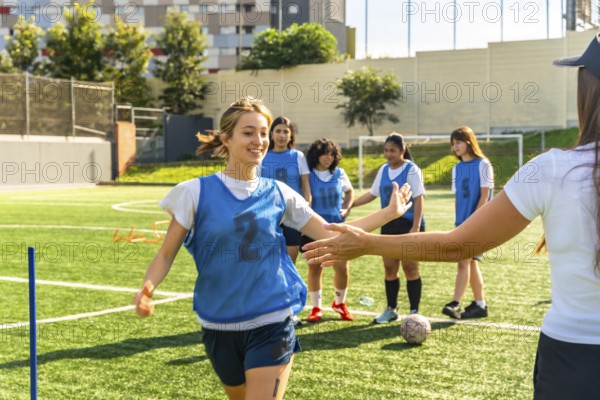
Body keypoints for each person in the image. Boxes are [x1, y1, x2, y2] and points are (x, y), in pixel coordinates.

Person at [302, 35, 600, 400]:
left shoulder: (554, 169)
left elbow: (458, 244)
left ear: (588, 90)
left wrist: (367, 243)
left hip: (574, 357)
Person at [133, 96, 413, 400]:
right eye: (249, 132)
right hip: (217, 325)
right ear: (226, 139)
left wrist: (388, 214)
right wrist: (147, 288)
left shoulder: (280, 193)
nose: (260, 140)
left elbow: (331, 233)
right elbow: (165, 254)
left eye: (264, 132)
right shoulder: (194, 193)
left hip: (272, 320)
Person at [351, 133, 425, 323]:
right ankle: (391, 309)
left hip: (409, 225)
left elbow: (418, 198)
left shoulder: (411, 169)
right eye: (386, 150)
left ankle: (414, 311)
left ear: (403, 151)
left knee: (410, 268)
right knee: (390, 268)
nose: (388, 154)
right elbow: (372, 194)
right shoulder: (383, 170)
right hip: (389, 225)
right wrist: (350, 204)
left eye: (392, 150)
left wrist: (416, 226)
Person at [442, 126, 494, 320]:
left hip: (478, 223)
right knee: (470, 264)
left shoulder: (483, 164)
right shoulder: (457, 168)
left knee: (463, 261)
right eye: (453, 143)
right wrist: (458, 223)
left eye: (459, 142)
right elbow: (458, 199)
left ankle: (455, 303)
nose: (455, 146)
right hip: (461, 223)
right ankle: (480, 304)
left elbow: (485, 196)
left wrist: (474, 221)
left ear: (469, 142)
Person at [302, 138, 355, 322]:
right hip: (314, 227)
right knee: (315, 267)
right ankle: (316, 308)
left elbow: (350, 192)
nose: (328, 158)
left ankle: (340, 303)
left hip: (337, 226)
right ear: (316, 154)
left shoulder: (340, 173)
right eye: (325, 153)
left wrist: (347, 208)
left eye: (332, 154)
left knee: (342, 267)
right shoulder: (307, 174)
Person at [261, 116, 311, 264]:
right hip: (268, 214)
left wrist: (305, 214)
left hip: (293, 213)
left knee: (290, 263)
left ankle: (288, 288)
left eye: (285, 132)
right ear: (271, 134)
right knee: (268, 261)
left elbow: (306, 187)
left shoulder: (298, 156)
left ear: (291, 136)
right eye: (278, 131)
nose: (282, 135)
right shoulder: (261, 157)